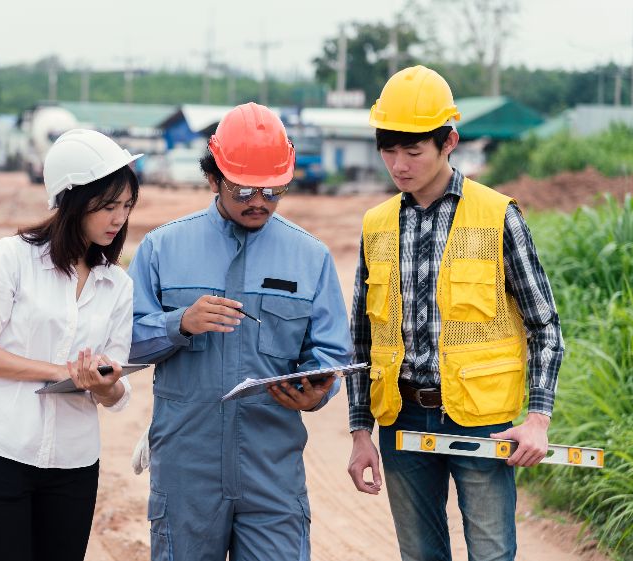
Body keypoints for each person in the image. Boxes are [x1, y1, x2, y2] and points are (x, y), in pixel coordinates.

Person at [345, 65, 565, 561]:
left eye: (413, 150)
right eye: (388, 149)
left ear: (449, 141)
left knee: (490, 554)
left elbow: (545, 327)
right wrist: (361, 433)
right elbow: (361, 339)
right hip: (401, 418)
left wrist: (538, 420)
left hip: (483, 422)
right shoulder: (376, 225)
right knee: (420, 555)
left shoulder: (497, 216)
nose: (398, 165)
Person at [127, 102, 352, 561]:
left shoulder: (310, 257)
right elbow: (122, 341)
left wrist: (316, 391)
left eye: (273, 190)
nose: (259, 202)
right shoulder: (162, 248)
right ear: (213, 178)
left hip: (271, 473)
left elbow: (330, 353)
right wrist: (179, 323)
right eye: (244, 189)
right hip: (187, 471)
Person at [0, 129, 141, 561]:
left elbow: (117, 388)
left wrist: (103, 384)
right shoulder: (13, 257)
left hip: (74, 465)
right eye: (109, 206)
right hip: (1, 452)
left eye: (126, 206)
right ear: (72, 200)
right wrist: (58, 372)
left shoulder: (118, 285)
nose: (119, 219)